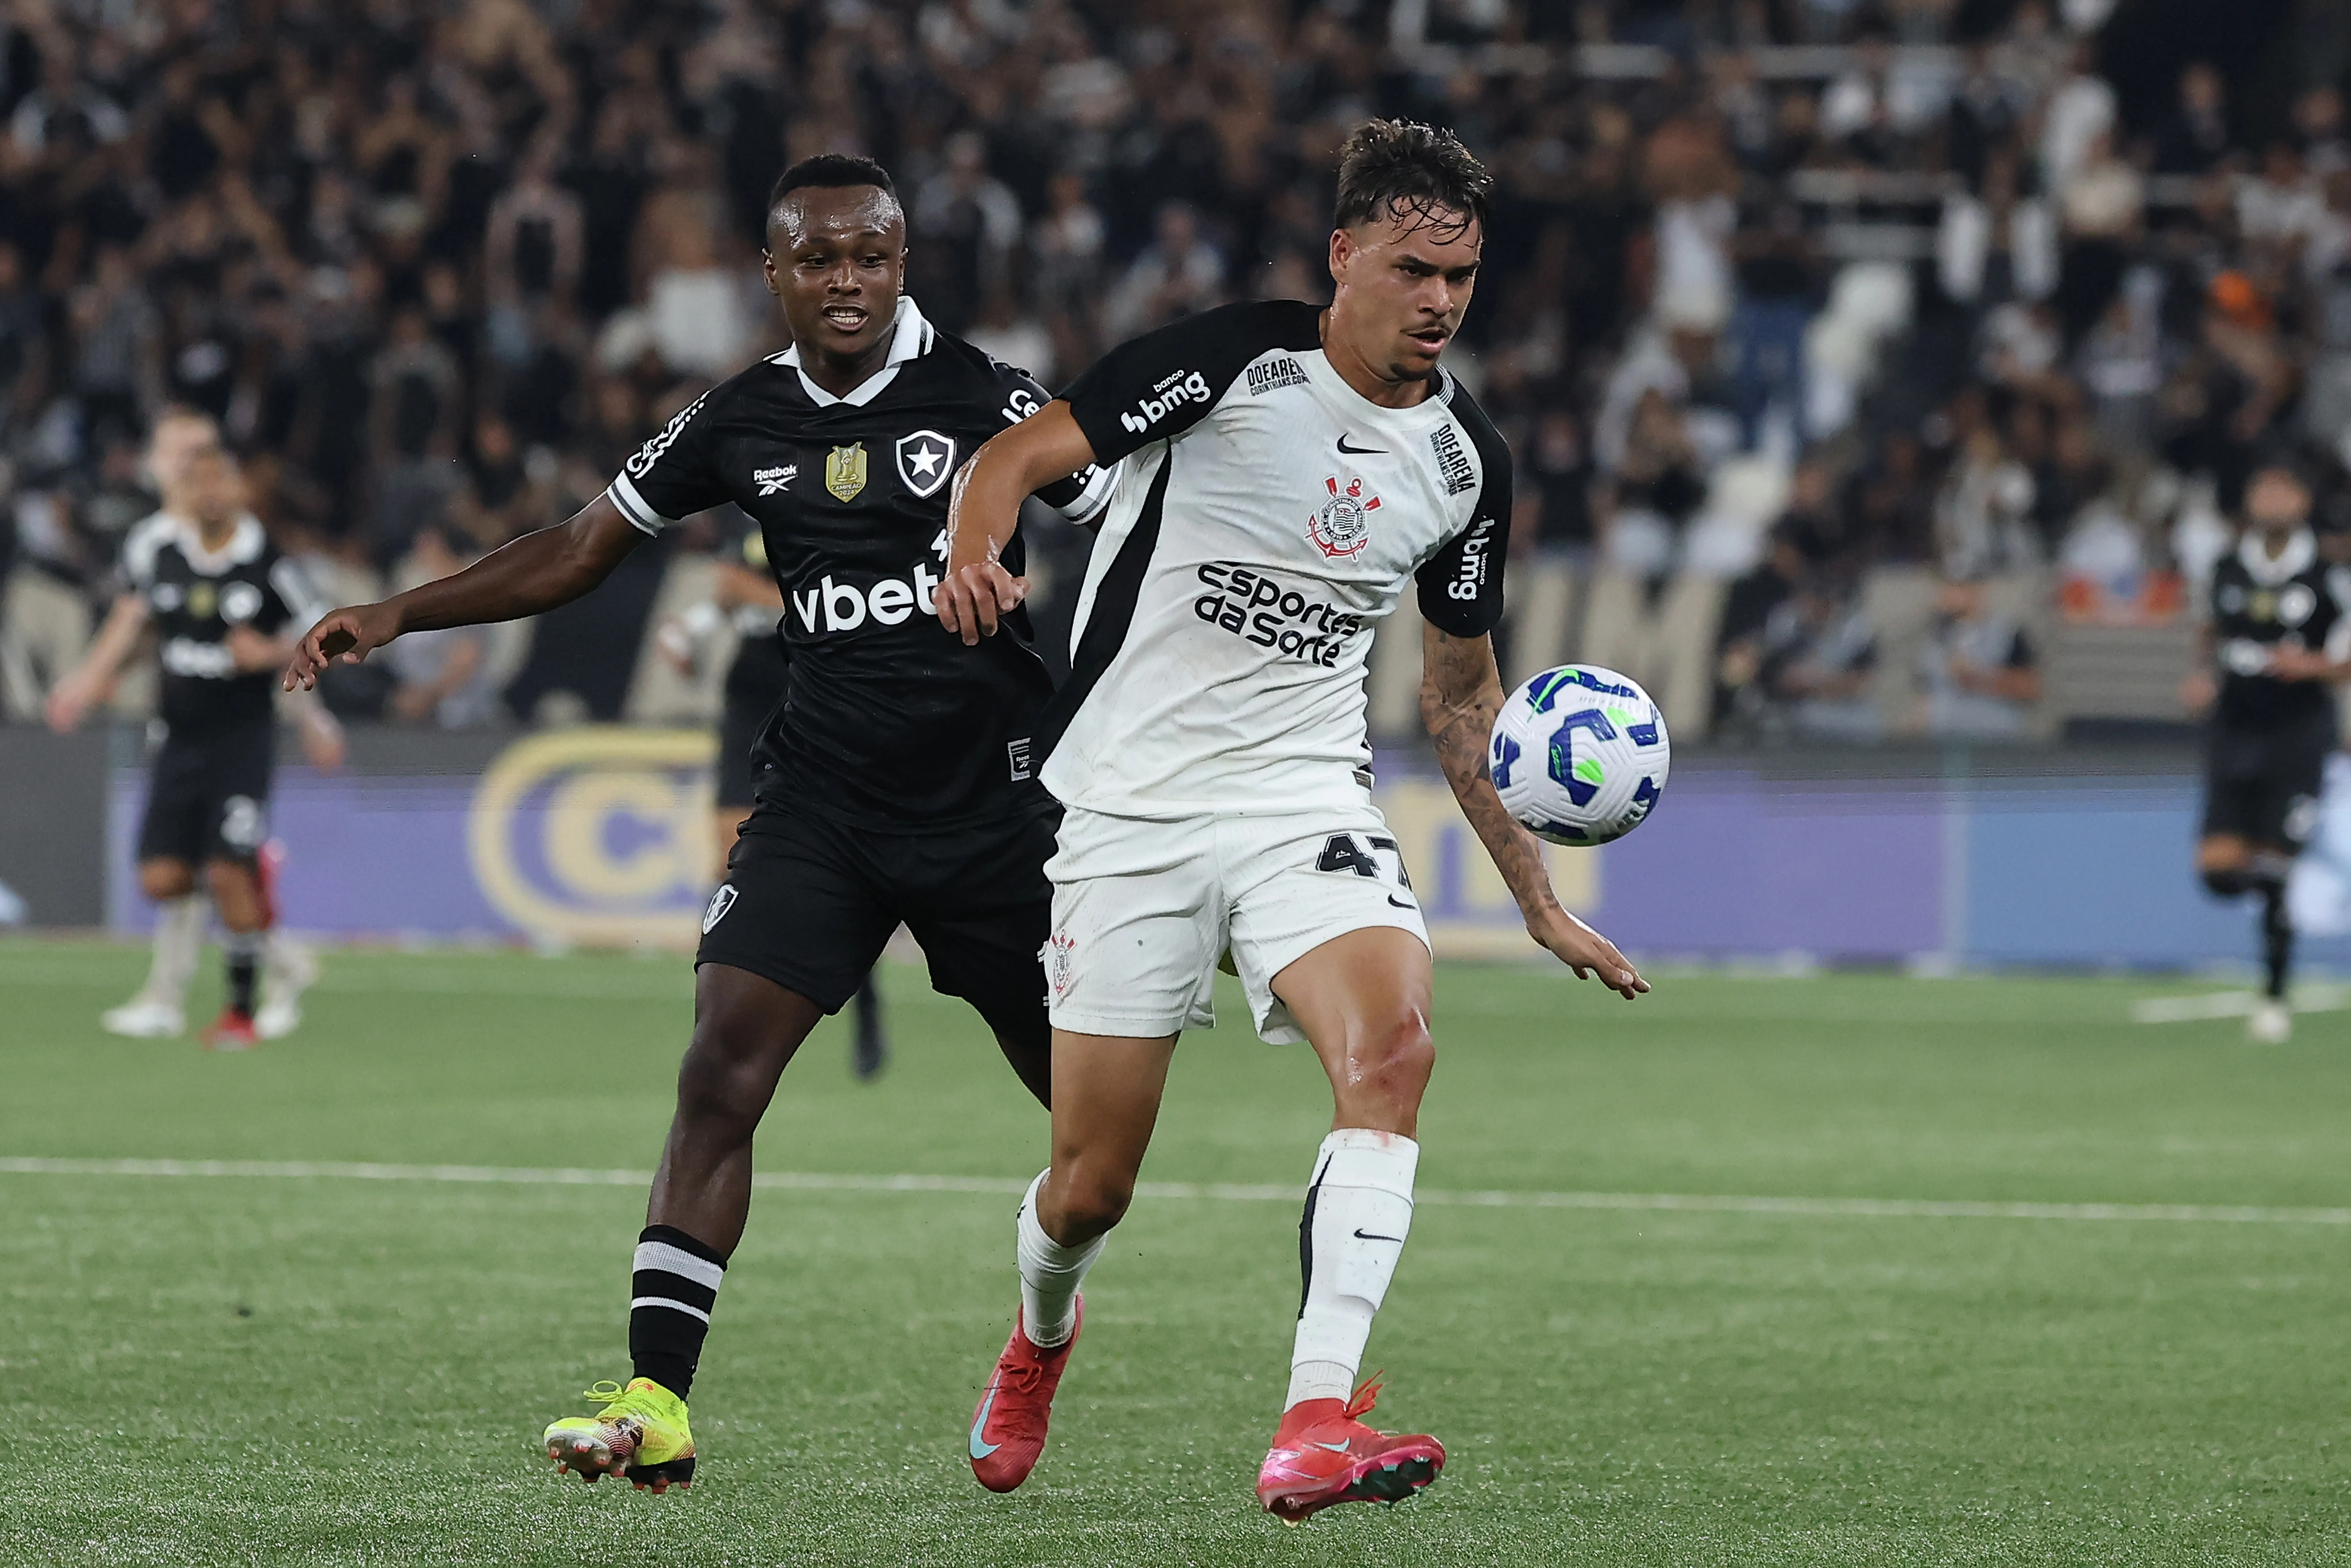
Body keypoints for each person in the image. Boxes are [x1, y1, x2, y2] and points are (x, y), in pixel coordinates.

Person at [282, 154, 1111, 1492]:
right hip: (821, 810)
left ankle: (1042, 1335)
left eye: (872, 256)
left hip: (994, 817)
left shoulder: (988, 398)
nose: (846, 281)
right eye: (818, 259)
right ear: (772, 274)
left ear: (903, 262)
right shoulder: (736, 417)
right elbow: (579, 544)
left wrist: (1077, 652)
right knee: (720, 1068)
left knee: (1092, 1139)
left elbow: (1130, 524)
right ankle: (656, 1397)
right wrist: (398, 613)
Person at [934, 120, 1646, 1523]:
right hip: (1130, 805)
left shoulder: (1465, 465)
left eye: (1462, 276)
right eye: (1413, 269)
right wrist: (973, 546)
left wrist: (1537, 896)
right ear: (1344, 255)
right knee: (1088, 1187)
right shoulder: (1227, 363)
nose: (1440, 301)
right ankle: (1038, 1339)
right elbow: (1017, 456)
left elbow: (1460, 694)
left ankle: (1316, 1417)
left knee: (1393, 1052)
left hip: (1299, 798)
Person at [45, 422, 344, 1047]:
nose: (207, 493)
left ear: (238, 489)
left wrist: (273, 658)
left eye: (218, 480)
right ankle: (263, 919)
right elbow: (140, 623)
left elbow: (330, 633)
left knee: (226, 870)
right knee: (163, 878)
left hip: (241, 738)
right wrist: (94, 680)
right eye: (194, 479)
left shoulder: (267, 561)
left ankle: (237, 1012)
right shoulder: (158, 550)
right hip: (177, 737)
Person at [657, 508, 889, 1081]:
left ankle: (866, 1009)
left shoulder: (837, 516)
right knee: (728, 860)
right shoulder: (747, 520)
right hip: (748, 703)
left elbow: (838, 600)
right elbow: (728, 596)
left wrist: (759, 595)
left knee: (844, 866)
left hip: (814, 701)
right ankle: (720, 1017)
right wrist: (690, 635)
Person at [2181, 464, 2351, 1044]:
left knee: (2276, 862)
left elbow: (2346, 658)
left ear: (2301, 500)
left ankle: (2274, 996)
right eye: (2263, 489)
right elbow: (2209, 633)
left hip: (2296, 734)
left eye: (2283, 490)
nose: (2272, 500)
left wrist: (2314, 666)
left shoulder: (2329, 575)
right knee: (2217, 872)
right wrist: (2202, 676)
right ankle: (2277, 886)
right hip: (2233, 730)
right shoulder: (2226, 568)